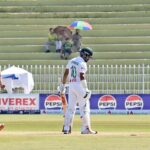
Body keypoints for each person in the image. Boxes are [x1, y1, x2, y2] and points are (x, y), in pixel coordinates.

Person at [59, 47, 97, 134]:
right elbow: (82, 76)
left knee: (70, 108)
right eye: (88, 57)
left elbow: (66, 73)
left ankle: (66, 128)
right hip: (80, 86)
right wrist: (86, 89)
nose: (88, 59)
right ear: (85, 55)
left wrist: (63, 85)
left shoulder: (72, 61)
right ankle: (85, 129)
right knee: (84, 107)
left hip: (71, 85)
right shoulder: (82, 63)